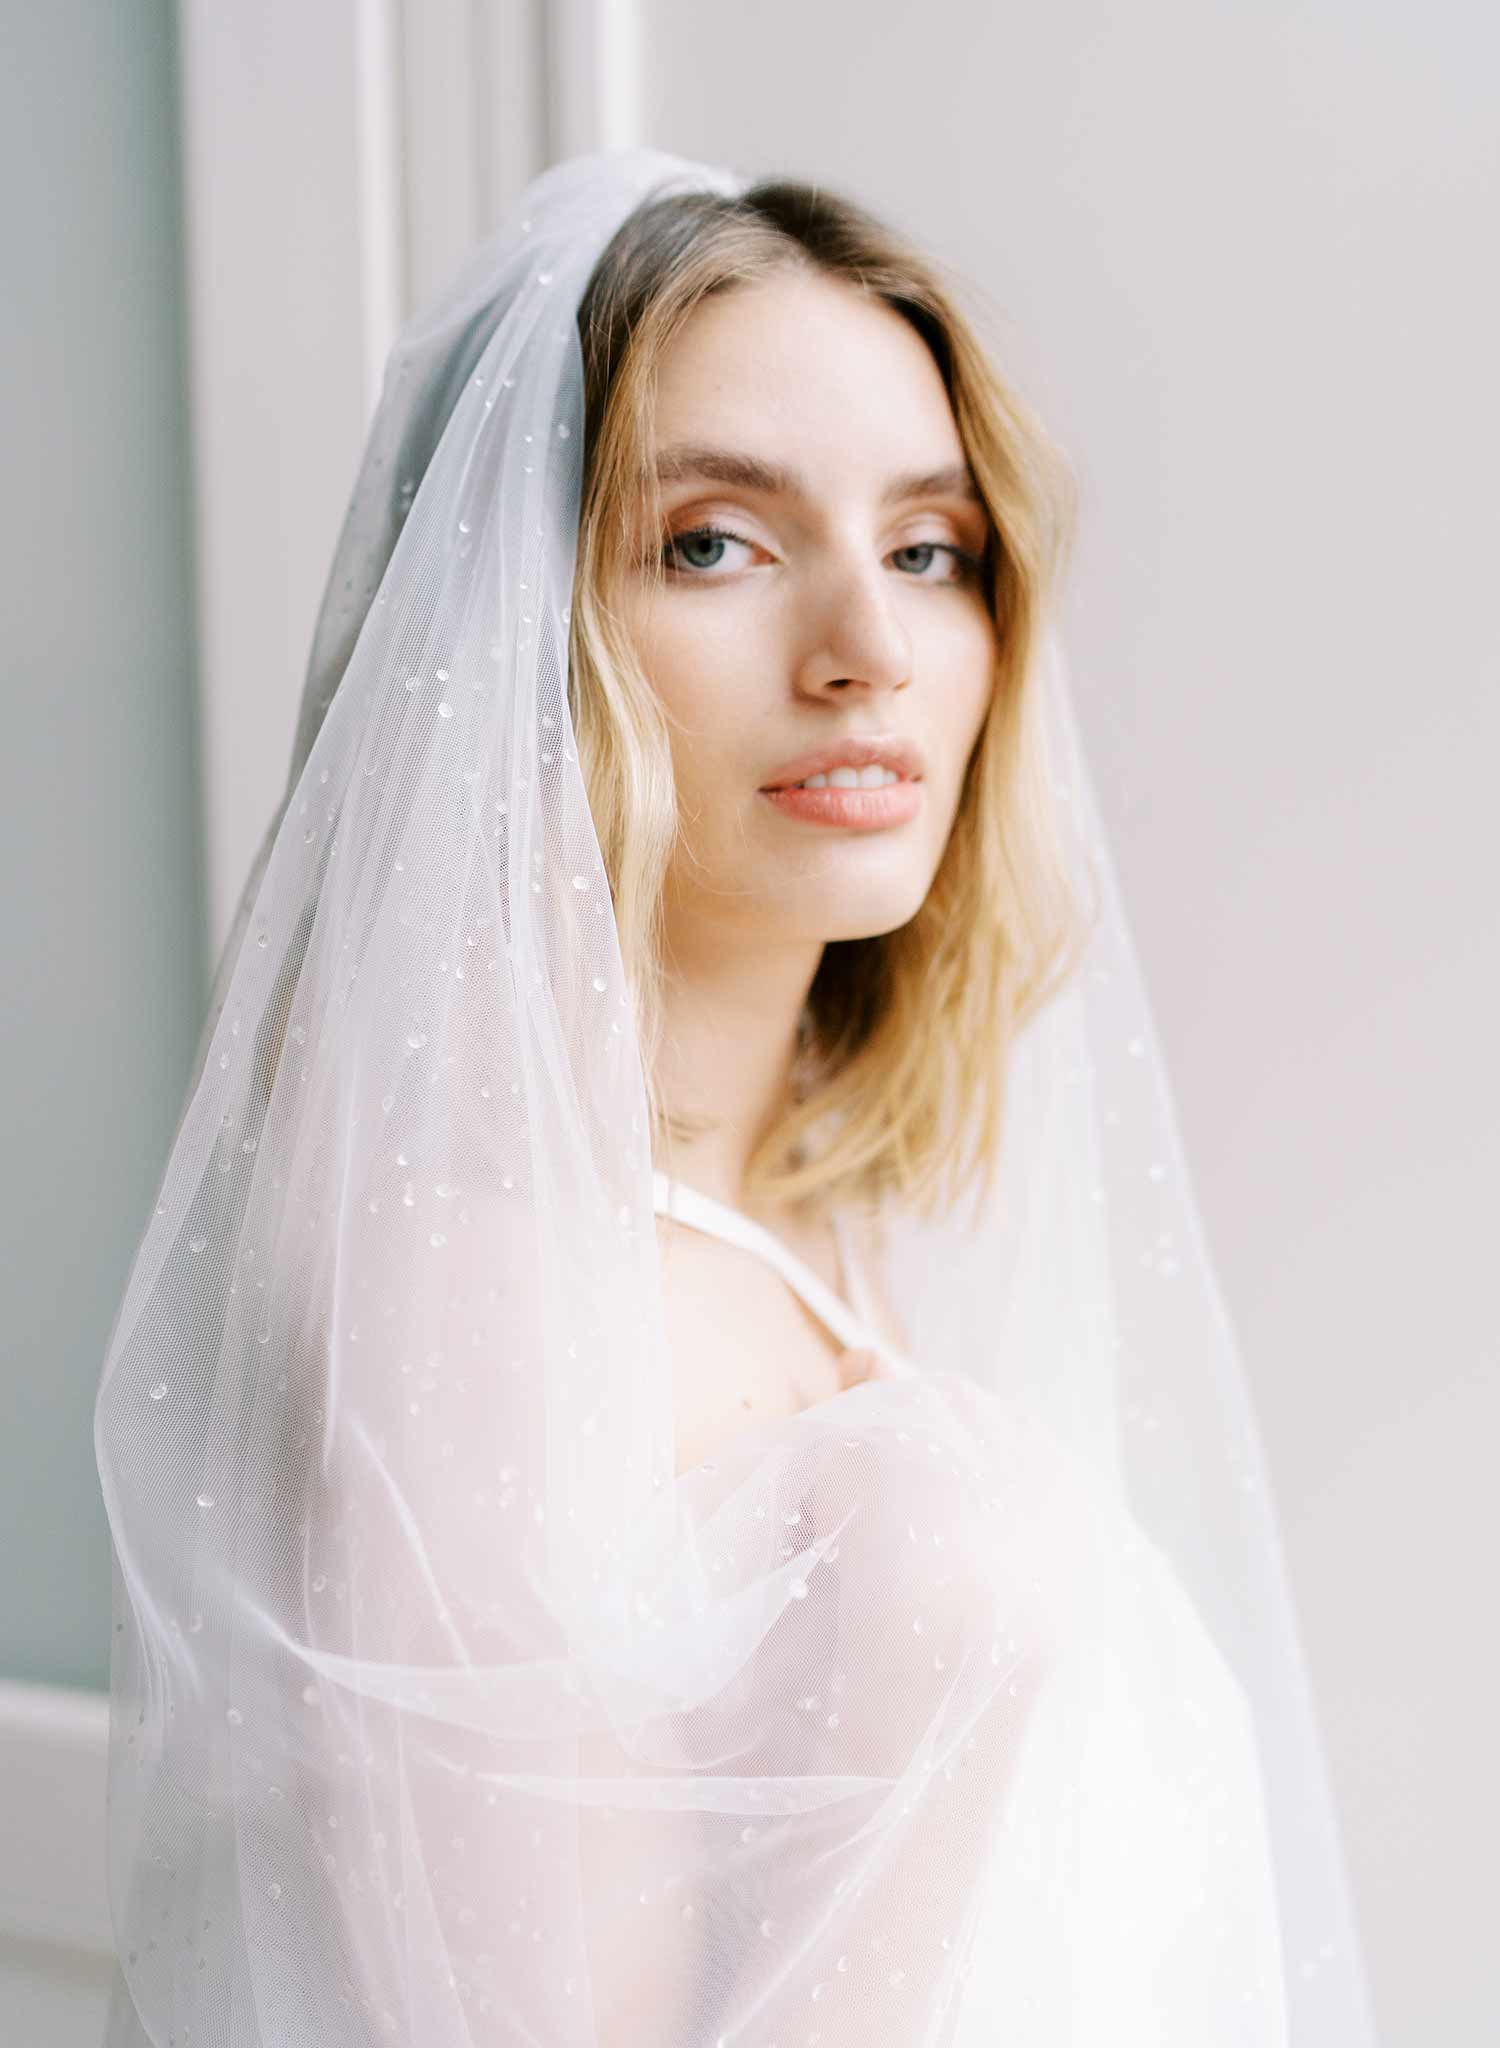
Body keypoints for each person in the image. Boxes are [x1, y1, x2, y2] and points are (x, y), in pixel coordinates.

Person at [93, 148, 1378, 2045]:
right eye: (716, 539)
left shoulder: (850, 1214)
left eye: (930, 548)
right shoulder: (490, 1292)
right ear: (519, 639)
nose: (867, 647)